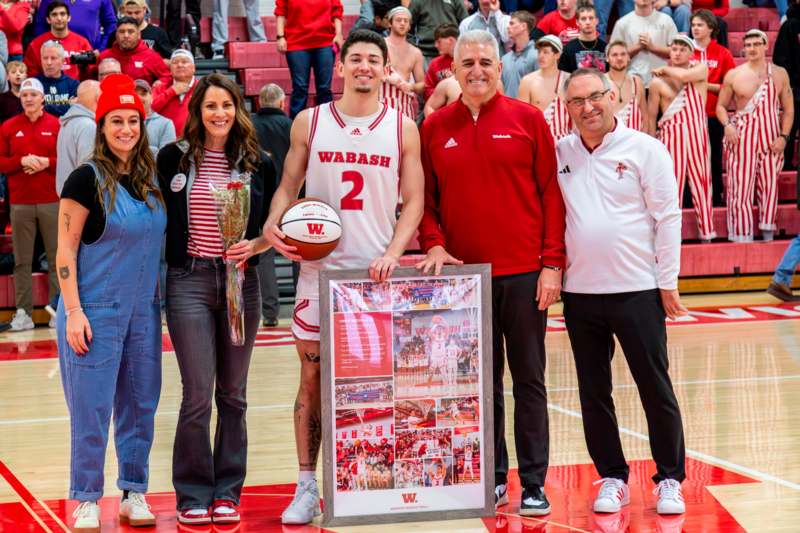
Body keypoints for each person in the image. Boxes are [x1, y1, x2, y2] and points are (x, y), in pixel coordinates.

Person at [262, 29, 424, 525]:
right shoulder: (310, 122)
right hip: (317, 272)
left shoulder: (402, 127)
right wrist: (272, 222)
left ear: (384, 69)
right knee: (311, 380)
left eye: (373, 60)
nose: (364, 67)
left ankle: (363, 482)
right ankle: (307, 485)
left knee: (376, 387)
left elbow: (414, 200)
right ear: (340, 65)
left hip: (372, 278)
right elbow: (288, 186)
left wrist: (395, 252)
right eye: (355, 59)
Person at [418, 29, 565, 517]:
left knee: (528, 380)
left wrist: (551, 265)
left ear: (500, 68)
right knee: (480, 385)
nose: (477, 70)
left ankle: (535, 481)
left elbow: (550, 195)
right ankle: (494, 477)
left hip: (524, 273)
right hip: (464, 279)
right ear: (452, 70)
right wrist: (434, 242)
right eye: (467, 64)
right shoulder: (435, 126)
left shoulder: (528, 119)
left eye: (486, 62)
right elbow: (426, 201)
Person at [556, 66, 687, 517]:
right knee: (594, 392)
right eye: (576, 101)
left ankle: (670, 479)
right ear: (566, 108)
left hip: (637, 290)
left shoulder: (646, 149)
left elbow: (668, 217)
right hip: (581, 294)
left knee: (655, 387)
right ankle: (613, 476)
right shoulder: (561, 152)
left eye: (595, 97)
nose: (587, 107)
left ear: (614, 97)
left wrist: (667, 280)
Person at [157, 73, 275, 525]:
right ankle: (191, 493)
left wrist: (258, 246)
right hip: (188, 280)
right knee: (197, 394)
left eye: (226, 105)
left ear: (237, 109)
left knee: (234, 394)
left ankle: (227, 492)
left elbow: (277, 220)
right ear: (197, 111)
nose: (219, 114)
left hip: (240, 283)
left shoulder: (256, 160)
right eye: (210, 106)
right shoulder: (173, 158)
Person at [55, 73, 165, 533]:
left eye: (133, 121)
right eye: (116, 121)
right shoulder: (85, 179)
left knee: (141, 406)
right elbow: (65, 251)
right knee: (92, 410)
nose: (126, 129)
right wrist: (75, 312)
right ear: (101, 127)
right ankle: (84, 498)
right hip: (93, 311)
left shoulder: (152, 178)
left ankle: (133, 491)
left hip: (143, 311)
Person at [717, 29, 794, 242]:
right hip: (742, 137)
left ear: (765, 45)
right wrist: (727, 126)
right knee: (740, 187)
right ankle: (742, 237)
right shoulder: (734, 74)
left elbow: (788, 109)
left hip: (771, 139)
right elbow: (721, 107)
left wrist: (784, 137)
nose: (752, 49)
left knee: (769, 187)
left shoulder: (779, 73)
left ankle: (768, 235)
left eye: (756, 44)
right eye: (748, 45)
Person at [0, 78, 60, 332]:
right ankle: (23, 313)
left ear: (42, 98)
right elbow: (2, 163)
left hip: (51, 201)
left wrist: (46, 162)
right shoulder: (8, 127)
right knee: (22, 261)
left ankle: (59, 311)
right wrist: (22, 160)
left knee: (59, 259)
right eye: (25, 95)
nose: (29, 99)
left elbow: (67, 159)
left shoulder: (56, 124)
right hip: (21, 203)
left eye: (33, 95)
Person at [647, 35, 716, 241]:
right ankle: (668, 238)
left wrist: (665, 68)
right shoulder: (657, 83)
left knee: (702, 184)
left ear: (691, 52)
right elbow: (651, 118)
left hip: (697, 135)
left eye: (681, 49)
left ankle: (707, 235)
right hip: (670, 136)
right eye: (673, 49)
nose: (676, 53)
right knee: (670, 188)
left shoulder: (700, 70)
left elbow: (685, 78)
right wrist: (651, 147)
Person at [252, 83, 292, 327]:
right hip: (291, 196)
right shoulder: (292, 125)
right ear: (281, 103)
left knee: (264, 253)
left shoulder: (250, 125)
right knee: (300, 252)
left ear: (259, 102)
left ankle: (270, 312)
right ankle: (302, 306)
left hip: (262, 196)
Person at [691, 10, 734, 206]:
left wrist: (704, 85)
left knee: (714, 158)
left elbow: (730, 86)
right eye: (693, 25)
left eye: (700, 25)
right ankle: (690, 198)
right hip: (689, 115)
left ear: (711, 28)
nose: (695, 28)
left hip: (712, 113)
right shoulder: (685, 50)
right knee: (690, 160)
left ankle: (716, 196)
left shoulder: (723, 53)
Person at [275, 0, 344, 119]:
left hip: (324, 42)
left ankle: (327, 124)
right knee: (300, 88)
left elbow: (336, 11)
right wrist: (280, 36)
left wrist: (339, 34)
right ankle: (295, 125)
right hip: (296, 42)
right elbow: (281, 12)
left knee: (324, 88)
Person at [610, 0, 677, 86]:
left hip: (661, 82)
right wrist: (638, 47)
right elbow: (613, 56)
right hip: (632, 83)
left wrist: (652, 47)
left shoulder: (666, 20)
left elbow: (675, 52)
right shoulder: (622, 23)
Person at [519, 35, 572, 142]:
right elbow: (521, 118)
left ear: (557, 55)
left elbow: (576, 117)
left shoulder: (570, 80)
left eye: (545, 52)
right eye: (539, 52)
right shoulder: (528, 81)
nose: (540, 56)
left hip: (565, 143)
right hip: (537, 141)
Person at [24, 1, 93, 81]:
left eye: (62, 14)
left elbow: (91, 71)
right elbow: (31, 74)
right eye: (54, 15)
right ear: (48, 20)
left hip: (75, 90)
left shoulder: (82, 42)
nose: (59, 18)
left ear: (69, 17)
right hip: (46, 91)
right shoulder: (36, 44)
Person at [96, 17, 171, 86]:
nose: (126, 35)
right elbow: (91, 78)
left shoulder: (151, 57)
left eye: (130, 32)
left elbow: (168, 77)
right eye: (122, 32)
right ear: (116, 35)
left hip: (140, 99)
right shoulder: (104, 56)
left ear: (139, 35)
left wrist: (160, 83)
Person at [56, 80, 100, 195]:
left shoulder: (68, 122)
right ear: (98, 98)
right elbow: (88, 171)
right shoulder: (88, 126)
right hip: (82, 199)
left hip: (69, 195)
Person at [382, 6, 425, 119]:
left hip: (404, 106)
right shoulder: (379, 45)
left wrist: (411, 86)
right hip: (380, 103)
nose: (402, 23)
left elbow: (422, 84)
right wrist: (386, 77)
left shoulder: (415, 52)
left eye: (406, 21)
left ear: (410, 26)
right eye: (398, 20)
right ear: (390, 23)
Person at [774, 0, 800, 171]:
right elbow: (780, 59)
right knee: (791, 125)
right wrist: (790, 84)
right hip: (796, 88)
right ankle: (787, 162)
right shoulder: (790, 26)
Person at [34, 0, 116, 51]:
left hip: (89, 52)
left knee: (86, 77)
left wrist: (102, 49)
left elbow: (111, 23)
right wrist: (45, 47)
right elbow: (41, 23)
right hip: (56, 52)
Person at [151, 49, 196, 138]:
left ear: (194, 67)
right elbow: (150, 110)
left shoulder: (202, 88)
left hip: (195, 142)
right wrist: (171, 91)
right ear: (170, 69)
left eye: (184, 62)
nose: (179, 65)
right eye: (175, 62)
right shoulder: (160, 87)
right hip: (164, 142)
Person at [408, 0, 469, 65]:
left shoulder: (456, 1)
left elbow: (466, 25)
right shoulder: (417, 1)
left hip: (451, 54)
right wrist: (414, 46)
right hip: (424, 53)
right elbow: (407, 28)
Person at [606, 41, 645, 131]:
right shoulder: (600, 82)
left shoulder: (637, 82)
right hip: (609, 142)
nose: (619, 58)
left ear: (628, 57)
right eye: (614, 55)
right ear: (607, 58)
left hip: (635, 142)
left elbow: (645, 118)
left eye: (623, 54)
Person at [558, 4, 606, 74]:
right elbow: (564, 77)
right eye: (583, 19)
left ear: (597, 21)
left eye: (591, 18)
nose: (588, 22)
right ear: (577, 22)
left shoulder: (605, 48)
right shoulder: (568, 49)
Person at [36, 40, 79, 117]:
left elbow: (75, 112)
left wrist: (43, 106)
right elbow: (33, 111)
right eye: (45, 58)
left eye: (53, 58)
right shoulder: (34, 83)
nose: (49, 62)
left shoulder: (73, 85)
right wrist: (67, 105)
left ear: (62, 61)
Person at [500, 10, 538, 99]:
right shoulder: (505, 58)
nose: (508, 27)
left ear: (523, 26)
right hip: (506, 110)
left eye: (512, 23)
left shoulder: (537, 55)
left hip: (527, 110)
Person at [135, 79, 176, 157]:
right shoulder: (124, 123)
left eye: (143, 94)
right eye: (135, 94)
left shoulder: (166, 124)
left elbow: (166, 158)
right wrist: (154, 149)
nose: (139, 98)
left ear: (151, 97)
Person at [424, 23, 459, 100]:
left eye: (439, 41)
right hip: (441, 107)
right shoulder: (435, 63)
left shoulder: (468, 60)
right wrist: (444, 94)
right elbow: (427, 90)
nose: (435, 45)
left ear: (451, 40)